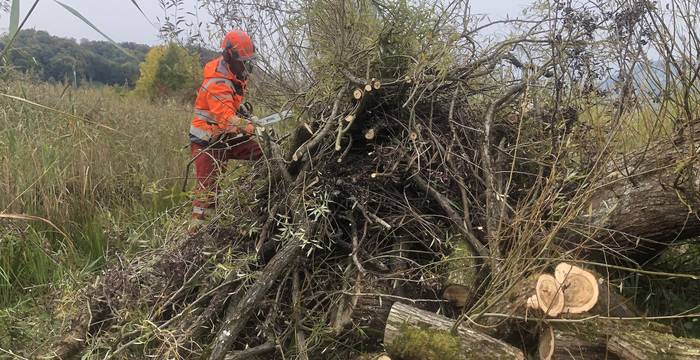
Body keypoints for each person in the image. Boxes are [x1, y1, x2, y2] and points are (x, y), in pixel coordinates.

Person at [188, 30, 262, 233]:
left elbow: (231, 111)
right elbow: (226, 118)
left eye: (249, 61)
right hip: (207, 143)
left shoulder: (234, 75)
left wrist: (245, 117)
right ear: (230, 56)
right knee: (206, 196)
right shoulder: (217, 81)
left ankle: (268, 189)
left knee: (263, 152)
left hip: (225, 138)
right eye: (243, 61)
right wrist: (247, 126)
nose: (247, 66)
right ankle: (194, 239)